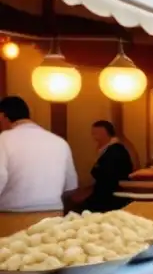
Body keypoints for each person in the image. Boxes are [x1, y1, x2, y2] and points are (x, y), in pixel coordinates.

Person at [0, 96, 78, 236]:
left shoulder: (3, 140)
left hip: (10, 219)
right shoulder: (59, 142)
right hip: (53, 218)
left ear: (3, 116)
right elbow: (71, 186)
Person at [70, 120, 134, 213]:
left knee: (77, 210)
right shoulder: (109, 149)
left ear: (104, 133)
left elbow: (107, 179)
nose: (94, 137)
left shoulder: (115, 151)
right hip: (105, 192)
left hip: (110, 196)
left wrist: (88, 192)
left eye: (96, 134)